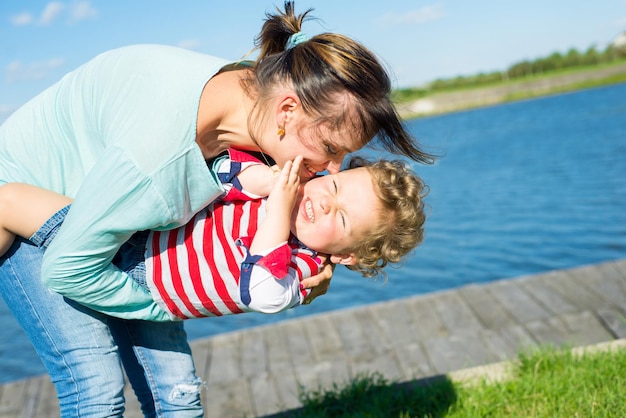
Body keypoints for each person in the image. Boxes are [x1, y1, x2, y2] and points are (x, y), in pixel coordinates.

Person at [0, 1, 435, 416]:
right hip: (31, 204)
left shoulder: (260, 90)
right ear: (289, 110)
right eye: (329, 149)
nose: (329, 170)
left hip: (109, 218)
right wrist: (160, 307)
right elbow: (68, 268)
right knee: (94, 382)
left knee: (177, 392)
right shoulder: (155, 162)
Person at [0, 151, 427, 319]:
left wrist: (276, 210)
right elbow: (216, 173)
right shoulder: (285, 190)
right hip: (134, 232)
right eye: (333, 188)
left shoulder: (302, 269)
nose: (324, 204)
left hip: (131, 276)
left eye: (343, 219)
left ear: (348, 255)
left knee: (8, 203)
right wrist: (262, 180)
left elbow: (262, 293)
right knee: (11, 203)